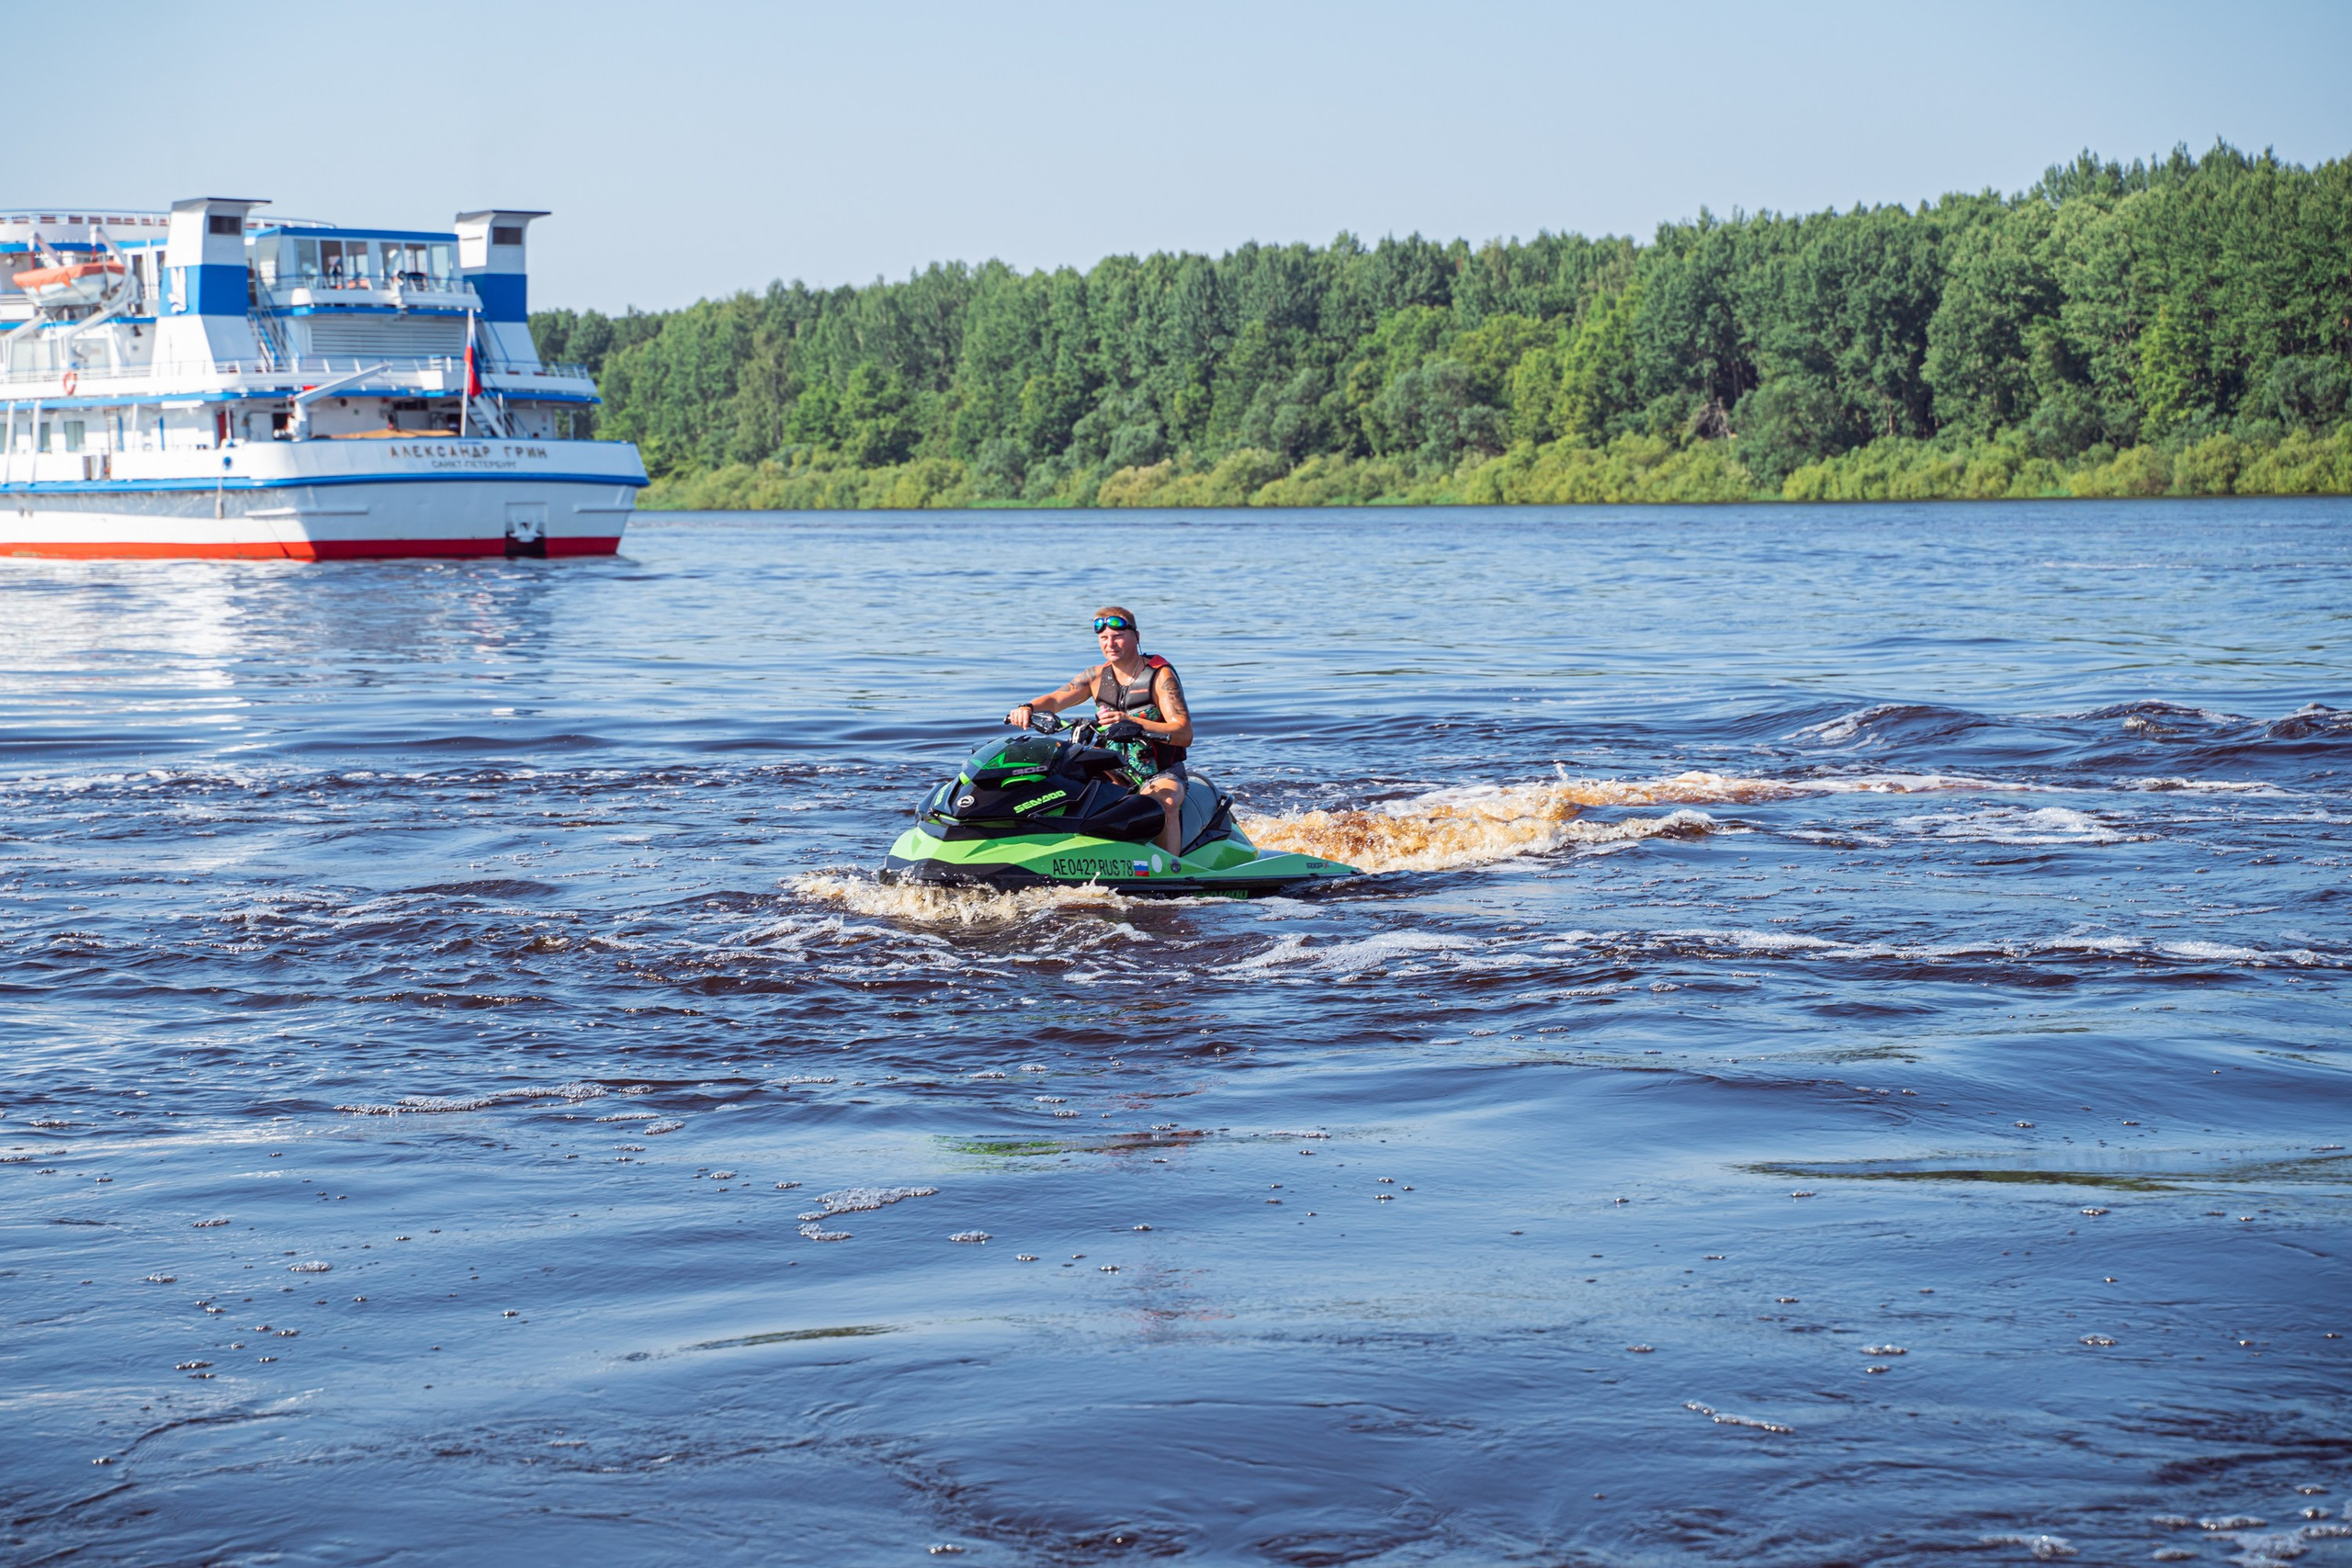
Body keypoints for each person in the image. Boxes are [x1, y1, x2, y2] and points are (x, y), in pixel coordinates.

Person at [1006, 607, 1193, 855]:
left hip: (1158, 775)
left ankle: (1172, 868)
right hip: (1111, 769)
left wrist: (1134, 722)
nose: (1110, 644)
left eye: (1117, 636)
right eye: (1103, 638)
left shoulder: (1160, 676)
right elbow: (1055, 699)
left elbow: (1184, 732)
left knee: (1166, 803)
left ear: (1136, 637)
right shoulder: (1095, 677)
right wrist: (1027, 708)